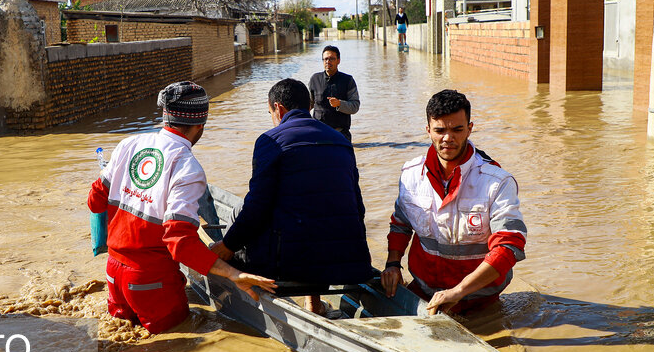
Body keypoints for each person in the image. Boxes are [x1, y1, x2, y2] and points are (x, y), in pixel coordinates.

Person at [87, 81, 276, 333]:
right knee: (175, 345)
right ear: (201, 125)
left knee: (124, 346)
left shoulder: (128, 145)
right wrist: (232, 273)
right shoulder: (187, 167)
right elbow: (180, 242)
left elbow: (95, 199)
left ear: (166, 117)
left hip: (113, 273)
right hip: (150, 281)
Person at [210, 78, 371, 314]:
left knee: (241, 216)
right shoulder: (341, 142)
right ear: (308, 106)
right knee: (312, 206)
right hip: (349, 264)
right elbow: (358, 208)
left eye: (270, 112)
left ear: (279, 108)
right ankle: (314, 304)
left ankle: (244, 305)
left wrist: (228, 245)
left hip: (289, 264)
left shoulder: (270, 140)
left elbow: (257, 207)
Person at [381, 89, 526, 315]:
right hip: (424, 292)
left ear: (470, 128)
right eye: (440, 130)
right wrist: (392, 264)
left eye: (457, 129)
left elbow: (509, 247)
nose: (448, 138)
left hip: (480, 300)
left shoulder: (497, 182)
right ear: (428, 130)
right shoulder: (410, 175)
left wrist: (458, 291)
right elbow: (400, 224)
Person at [308, 45, 360, 142]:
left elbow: (355, 106)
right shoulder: (315, 79)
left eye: (332, 59)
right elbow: (308, 105)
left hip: (340, 135)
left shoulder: (348, 80)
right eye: (325, 59)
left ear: (338, 60)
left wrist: (340, 104)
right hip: (318, 133)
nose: (328, 62)